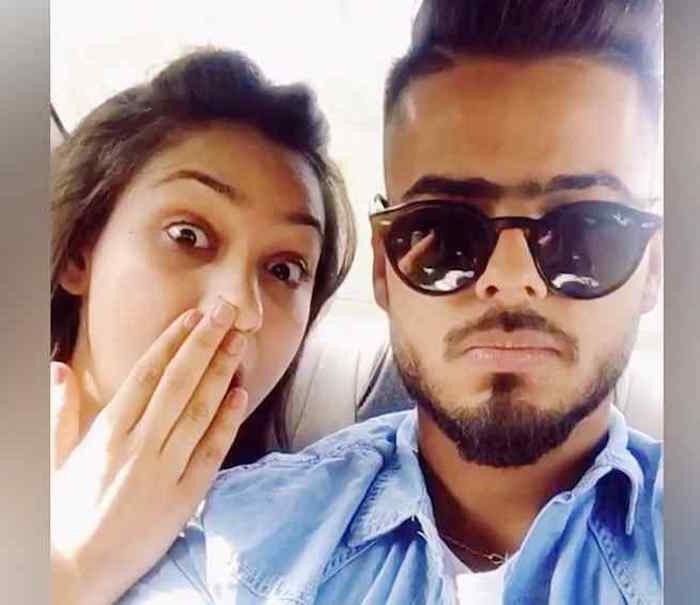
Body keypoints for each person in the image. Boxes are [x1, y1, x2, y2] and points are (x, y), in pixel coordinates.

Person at [119, 1, 663, 603]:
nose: (510, 280)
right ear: (383, 269)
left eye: (587, 232)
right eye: (445, 234)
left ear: (655, 268)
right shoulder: (228, 549)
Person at [49, 48, 355, 605]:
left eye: (284, 270)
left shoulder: (311, 549)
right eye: (187, 236)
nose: (241, 307)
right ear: (80, 254)